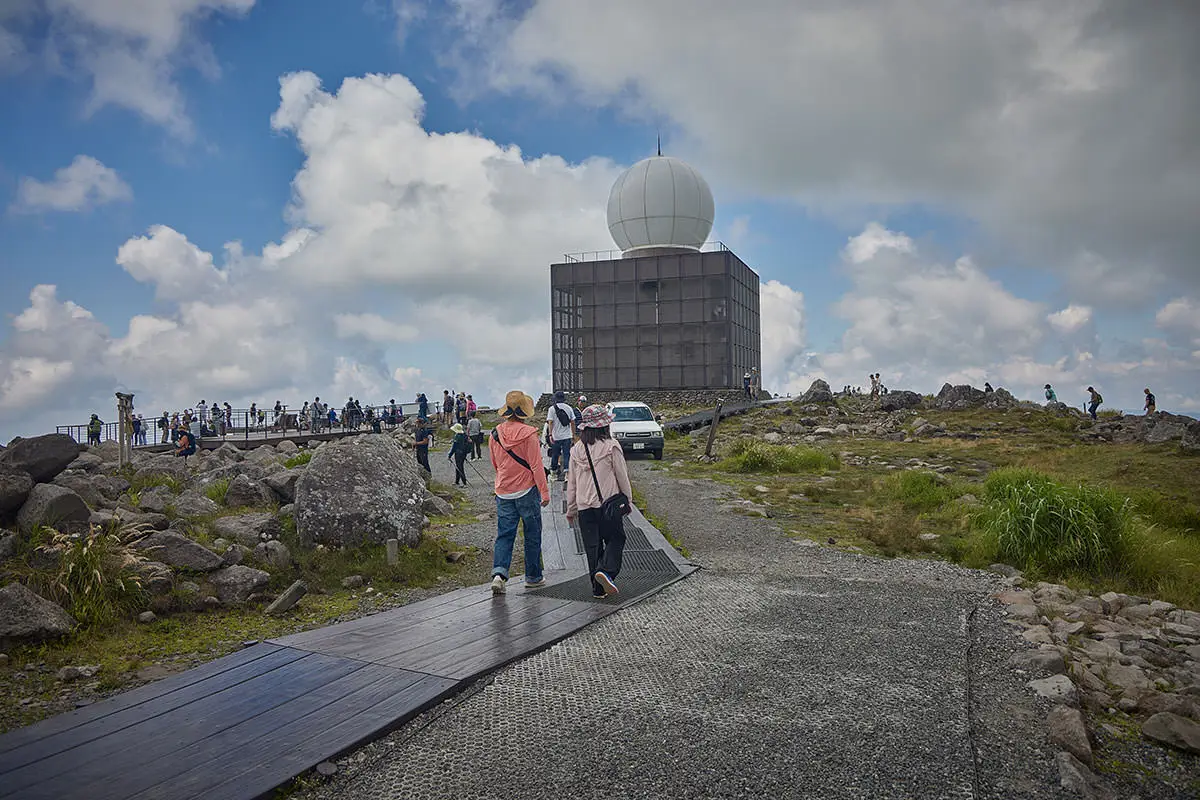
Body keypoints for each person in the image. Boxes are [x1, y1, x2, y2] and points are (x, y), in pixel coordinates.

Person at [566, 404, 632, 599]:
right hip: (608, 504)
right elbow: (622, 476)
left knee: (592, 547)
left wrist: (571, 509)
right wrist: (628, 499)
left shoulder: (576, 449)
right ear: (605, 426)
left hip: (584, 506)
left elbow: (572, 482)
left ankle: (598, 589)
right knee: (616, 539)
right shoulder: (611, 446)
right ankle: (606, 571)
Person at [488, 390, 550, 594]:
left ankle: (499, 574)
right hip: (526, 491)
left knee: (505, 535)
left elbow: (495, 464)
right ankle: (533, 577)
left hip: (503, 491)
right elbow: (536, 466)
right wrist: (544, 492)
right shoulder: (529, 434)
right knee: (532, 534)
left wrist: (503, 482)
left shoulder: (495, 433)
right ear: (524, 412)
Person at [547, 390, 577, 481]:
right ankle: (567, 475)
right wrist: (573, 434)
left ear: (555, 399)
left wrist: (550, 434)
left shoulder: (552, 409)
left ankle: (554, 474)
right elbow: (572, 422)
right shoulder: (569, 408)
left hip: (556, 436)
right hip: (567, 436)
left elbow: (550, 422)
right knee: (567, 454)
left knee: (555, 454)